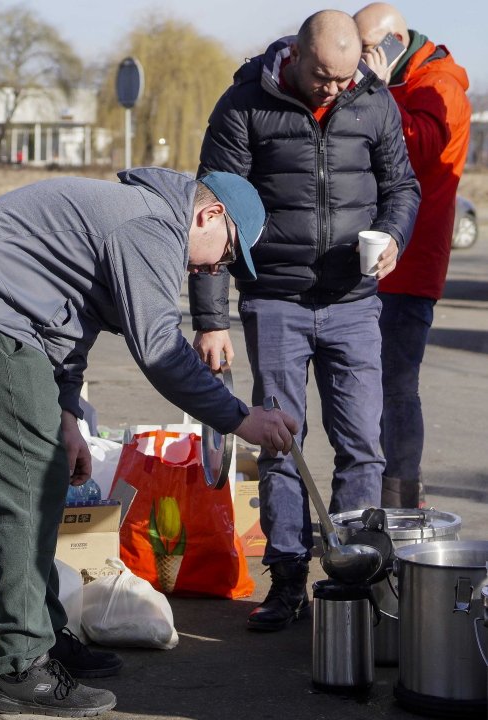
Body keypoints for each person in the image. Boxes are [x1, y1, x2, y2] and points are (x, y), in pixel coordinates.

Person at [0, 167, 299, 717]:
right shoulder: (150, 225)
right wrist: (239, 419)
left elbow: (70, 322)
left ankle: (41, 636)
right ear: (209, 216)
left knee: (43, 480)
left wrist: (66, 413)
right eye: (226, 254)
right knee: (22, 490)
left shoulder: (140, 219)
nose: (214, 269)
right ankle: (20, 668)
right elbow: (160, 348)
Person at [193, 10, 420, 632]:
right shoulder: (243, 105)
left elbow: (402, 187)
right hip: (274, 300)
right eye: (323, 76)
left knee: (363, 446)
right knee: (280, 443)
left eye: (345, 78)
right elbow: (209, 211)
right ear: (293, 55)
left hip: (354, 302)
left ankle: (353, 579)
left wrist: (394, 235)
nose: (335, 89)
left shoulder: (372, 102)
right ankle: (288, 578)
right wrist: (211, 319)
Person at [354, 3, 472, 509]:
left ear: (394, 43)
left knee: (397, 386)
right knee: (370, 385)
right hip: (381, 260)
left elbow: (417, 149)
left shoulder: (440, 86)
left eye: (365, 48)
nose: (357, 58)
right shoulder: (403, 80)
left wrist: (377, 94)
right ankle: (382, 495)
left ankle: (401, 502)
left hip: (411, 262)